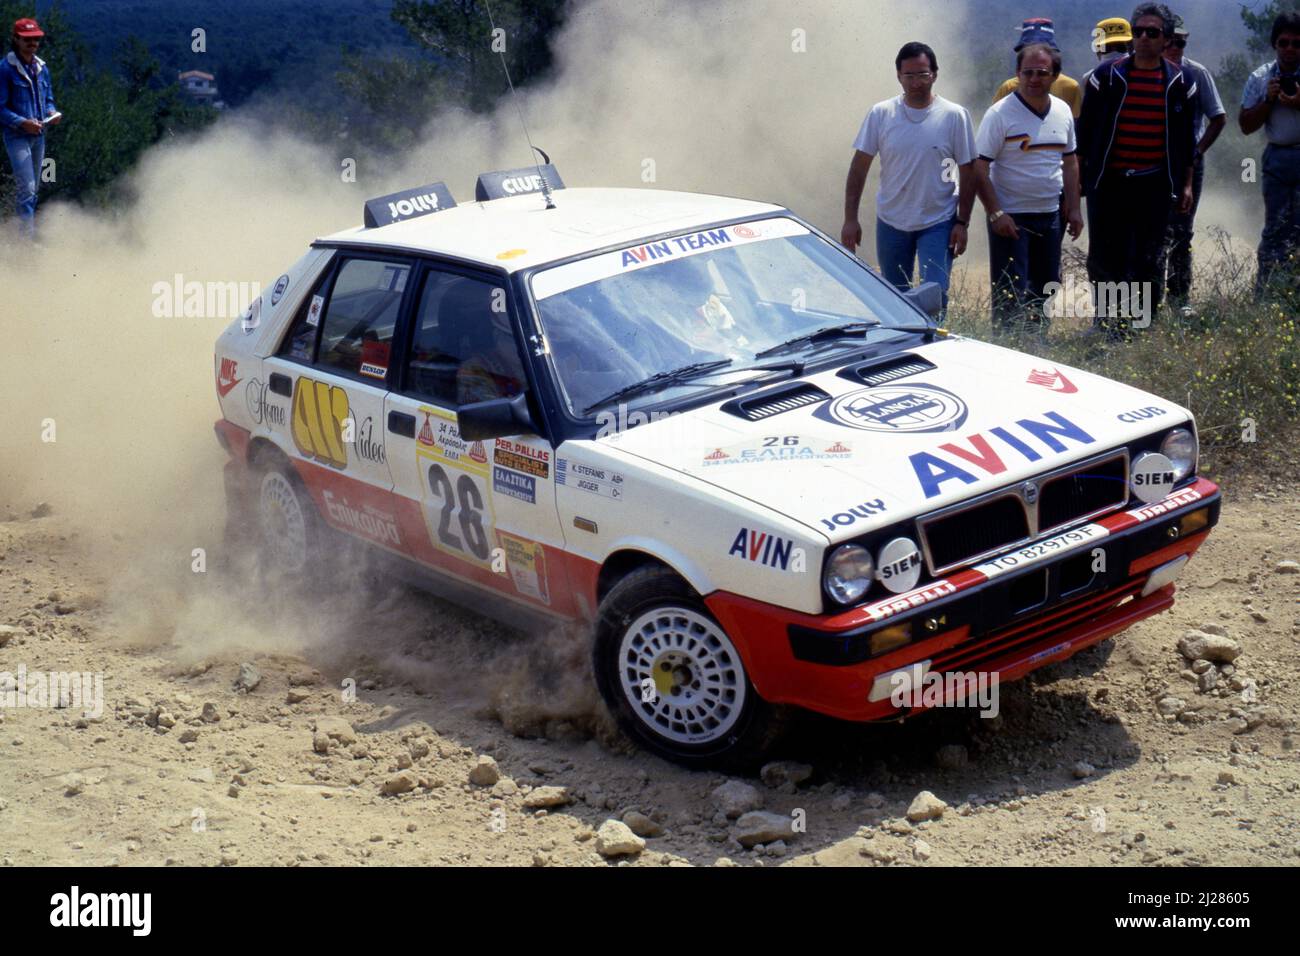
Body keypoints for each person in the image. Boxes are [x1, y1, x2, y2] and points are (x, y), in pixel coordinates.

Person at [1078, 2, 1196, 340]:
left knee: (1148, 258)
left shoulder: (1180, 82)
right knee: (1105, 255)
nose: (1144, 38)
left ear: (1166, 39)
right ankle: (1105, 323)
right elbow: (1085, 135)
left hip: (1155, 184)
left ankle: (1139, 326)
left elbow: (1187, 142)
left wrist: (1186, 185)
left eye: (1153, 32)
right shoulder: (1106, 77)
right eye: (1139, 31)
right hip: (1110, 182)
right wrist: (1082, 181)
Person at [841, 41, 977, 310]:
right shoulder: (881, 114)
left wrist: (962, 222)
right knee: (894, 298)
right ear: (898, 76)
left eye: (923, 74)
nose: (916, 82)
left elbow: (969, 170)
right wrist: (850, 219)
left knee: (934, 295)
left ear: (935, 75)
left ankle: (934, 348)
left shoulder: (954, 116)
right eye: (909, 75)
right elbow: (859, 167)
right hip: (892, 220)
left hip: (938, 220)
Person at [975, 42, 1083, 334]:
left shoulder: (1062, 111)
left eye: (1042, 73)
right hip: (1010, 216)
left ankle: (1037, 342)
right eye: (1028, 72)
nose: (1034, 79)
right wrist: (996, 213)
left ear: (1054, 76)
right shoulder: (999, 114)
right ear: (1017, 74)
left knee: (1047, 283)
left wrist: (1074, 208)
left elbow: (1070, 162)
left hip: (1049, 215)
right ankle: (1007, 345)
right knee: (1010, 286)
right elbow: (979, 168)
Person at [1157, 15, 1226, 308]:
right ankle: (1148, 299)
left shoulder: (1197, 73)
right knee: (1152, 232)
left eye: (1182, 42)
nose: (1177, 48)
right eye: (1171, 42)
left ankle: (1179, 300)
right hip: (1152, 163)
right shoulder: (1145, 71)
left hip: (1188, 165)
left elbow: (1218, 117)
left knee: (1182, 232)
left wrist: (1197, 151)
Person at [1241, 11, 1300, 299]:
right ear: (1274, 44)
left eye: (1296, 43)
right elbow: (1246, 125)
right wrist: (1268, 99)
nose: (1289, 49)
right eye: (1283, 42)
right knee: (1275, 230)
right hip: (1277, 158)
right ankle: (1266, 298)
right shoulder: (1260, 77)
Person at [0, 17, 60, 237]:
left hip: (39, 135)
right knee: (26, 189)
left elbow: (49, 98)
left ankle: (26, 233)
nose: (32, 43)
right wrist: (22, 123)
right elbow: (1, 108)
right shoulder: (5, 69)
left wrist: (51, 112)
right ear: (15, 39)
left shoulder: (42, 68)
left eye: (35, 38)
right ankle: (25, 242)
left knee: (35, 188)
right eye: (27, 39)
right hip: (17, 136)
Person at [992, 18, 1083, 118]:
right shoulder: (1008, 88)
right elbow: (996, 120)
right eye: (1028, 51)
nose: (1034, 79)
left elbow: (1074, 126)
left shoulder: (1070, 87)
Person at [1081, 17, 1134, 87]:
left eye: (1120, 47)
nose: (1114, 53)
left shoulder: (1089, 78)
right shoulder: (1089, 79)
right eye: (1107, 48)